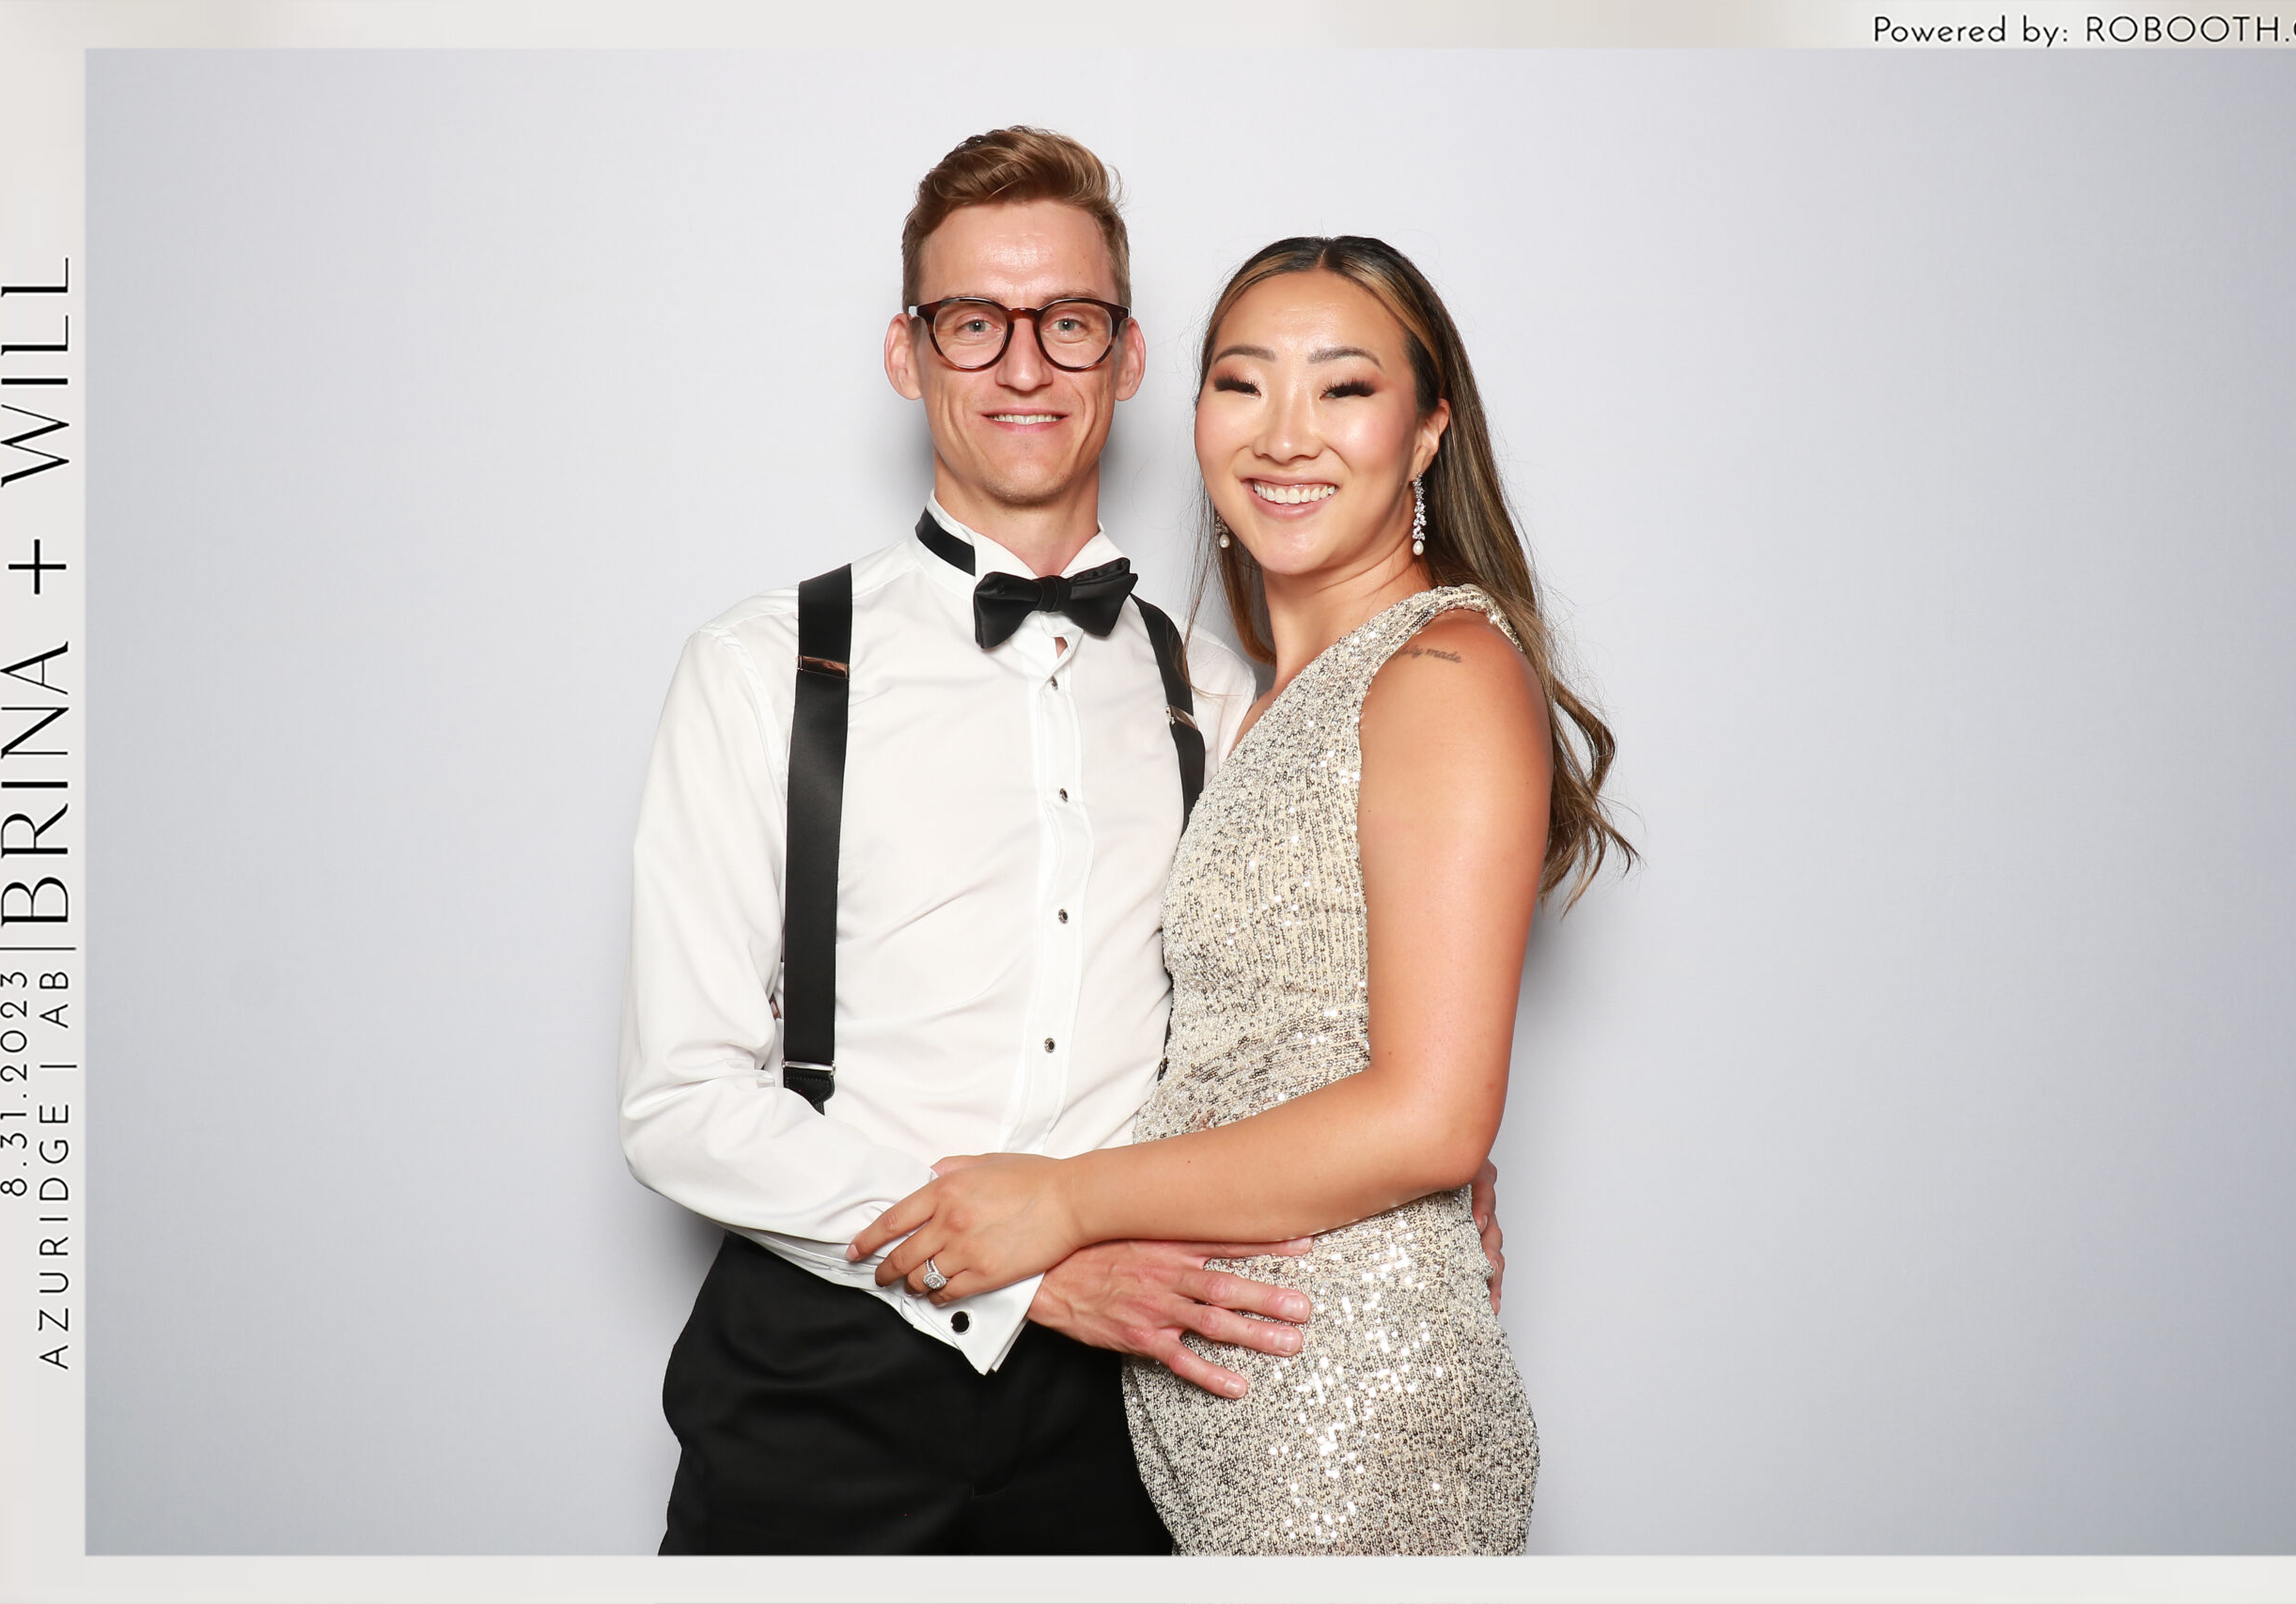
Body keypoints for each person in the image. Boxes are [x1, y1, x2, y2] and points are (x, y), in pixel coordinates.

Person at [617, 132, 1506, 1555]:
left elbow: (1304, 1003)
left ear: (1129, 357)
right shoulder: (759, 666)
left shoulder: (1226, 700)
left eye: (1068, 324)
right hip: (817, 1389)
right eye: (975, 323)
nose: (1023, 367)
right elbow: (680, 1101)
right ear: (908, 356)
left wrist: (1432, 1183)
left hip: (1128, 1416)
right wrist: (1024, 1275)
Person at [851, 235, 1632, 1555]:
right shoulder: (1235, 696)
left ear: (1429, 431)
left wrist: (1069, 1201)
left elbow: (1432, 1116)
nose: (1284, 436)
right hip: (1211, 1395)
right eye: (1242, 384)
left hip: (1347, 1398)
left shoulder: (1441, 668)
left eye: (1343, 389)